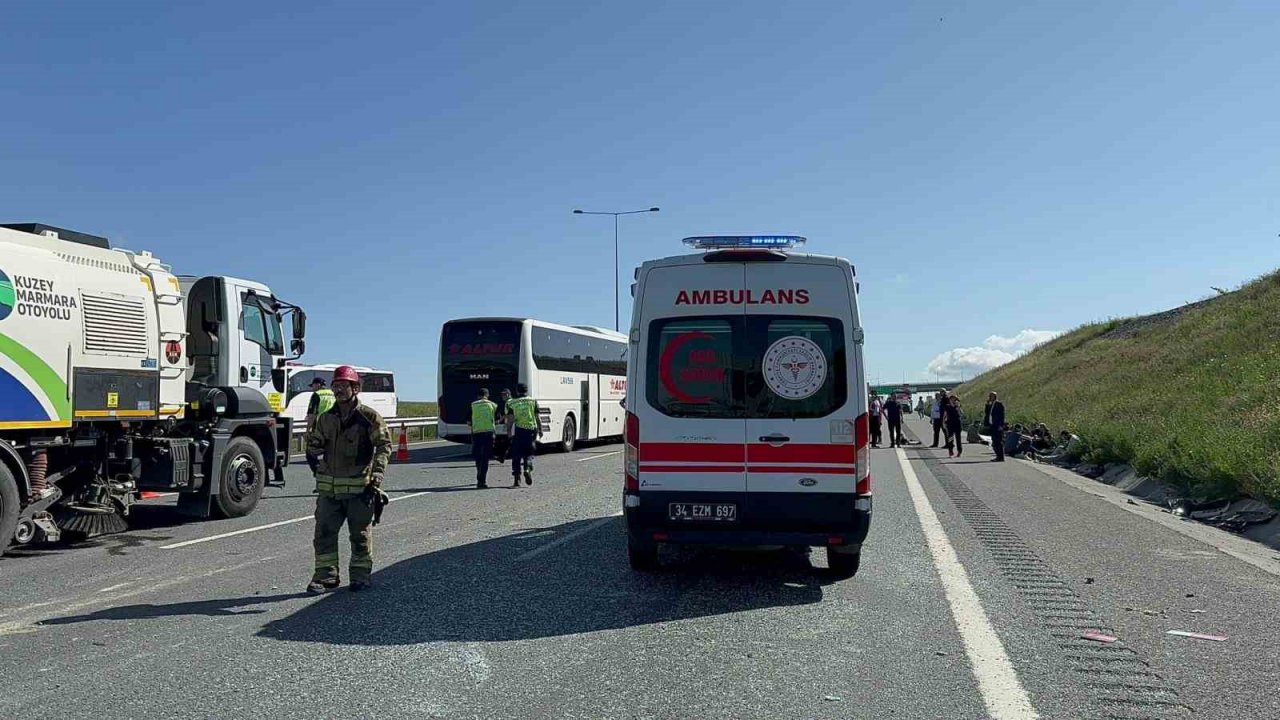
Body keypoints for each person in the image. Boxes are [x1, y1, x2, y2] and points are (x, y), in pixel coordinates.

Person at [305, 365, 392, 594]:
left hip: (359, 490)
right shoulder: (326, 419)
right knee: (323, 534)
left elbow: (384, 446)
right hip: (329, 492)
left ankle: (360, 576)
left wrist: (378, 473)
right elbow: (314, 446)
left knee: (360, 536)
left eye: (344, 385)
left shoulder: (369, 418)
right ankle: (326, 577)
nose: (339, 390)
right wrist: (313, 452)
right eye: (336, 385)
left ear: (356, 388)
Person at [506, 384, 543, 487]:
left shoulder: (513, 403)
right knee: (529, 452)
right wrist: (540, 429)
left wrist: (509, 432)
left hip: (519, 430)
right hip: (531, 430)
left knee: (516, 454)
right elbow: (537, 417)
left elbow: (510, 420)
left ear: (517, 391)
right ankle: (527, 468)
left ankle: (516, 479)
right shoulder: (533, 401)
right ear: (527, 391)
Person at [305, 376, 336, 480]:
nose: (312, 388)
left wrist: (308, 430)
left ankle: (319, 476)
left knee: (311, 453)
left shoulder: (316, 395)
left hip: (320, 428)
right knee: (330, 454)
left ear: (317, 385)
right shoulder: (333, 393)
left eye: (312, 385)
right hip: (335, 427)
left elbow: (312, 415)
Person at [468, 388, 498, 489]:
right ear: (487, 395)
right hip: (489, 433)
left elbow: (468, 422)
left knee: (478, 457)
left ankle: (479, 474)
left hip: (476, 433)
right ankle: (482, 480)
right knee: (485, 458)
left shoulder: (473, 405)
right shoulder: (493, 405)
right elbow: (497, 419)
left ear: (478, 395)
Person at [493, 388, 513, 464]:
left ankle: (502, 457)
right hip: (513, 424)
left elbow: (507, 414)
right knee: (508, 442)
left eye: (504, 394)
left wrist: (499, 421)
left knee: (509, 441)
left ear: (508, 394)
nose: (502, 396)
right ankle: (502, 457)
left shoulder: (508, 403)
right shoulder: (512, 401)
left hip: (511, 425)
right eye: (502, 394)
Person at [986, 392, 1006, 462]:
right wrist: (987, 404)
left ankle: (1000, 457)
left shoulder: (998, 404)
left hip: (998, 425)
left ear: (995, 397)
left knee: (998, 442)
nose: (990, 398)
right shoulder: (991, 405)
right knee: (994, 441)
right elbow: (988, 413)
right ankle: (998, 456)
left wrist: (1001, 425)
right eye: (990, 396)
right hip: (992, 425)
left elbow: (1002, 415)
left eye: (992, 396)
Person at [943, 393, 964, 457]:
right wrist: (943, 423)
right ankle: (950, 450)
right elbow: (945, 415)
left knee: (958, 438)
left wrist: (958, 407)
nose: (953, 400)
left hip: (957, 423)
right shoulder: (947, 406)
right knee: (950, 438)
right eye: (951, 399)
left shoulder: (958, 406)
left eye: (954, 399)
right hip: (950, 423)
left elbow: (961, 414)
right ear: (949, 400)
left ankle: (959, 451)